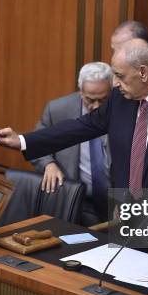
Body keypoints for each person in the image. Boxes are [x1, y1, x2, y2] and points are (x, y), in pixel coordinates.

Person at [0, 39, 148, 258]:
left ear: (143, 72)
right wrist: (23, 140)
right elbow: (81, 127)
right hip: (129, 225)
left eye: (120, 76)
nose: (115, 83)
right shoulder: (120, 99)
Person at [30, 62, 113, 225]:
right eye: (90, 99)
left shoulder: (127, 109)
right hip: (78, 203)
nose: (96, 107)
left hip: (118, 203)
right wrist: (49, 164)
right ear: (80, 92)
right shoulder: (58, 110)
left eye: (103, 100)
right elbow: (37, 142)